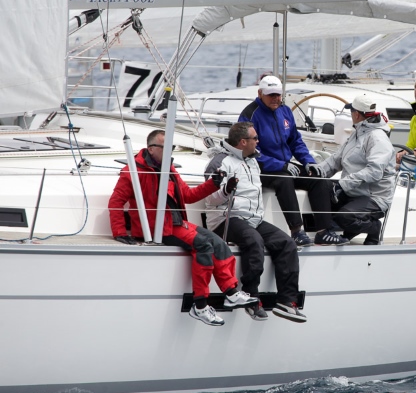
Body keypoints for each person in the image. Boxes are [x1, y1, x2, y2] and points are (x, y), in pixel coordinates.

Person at [108, 129, 258, 326]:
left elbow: (188, 195)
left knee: (218, 243)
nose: (171, 151)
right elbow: (116, 201)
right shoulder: (133, 171)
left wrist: (214, 184)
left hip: (176, 223)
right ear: (152, 149)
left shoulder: (168, 168)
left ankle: (231, 292)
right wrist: (120, 233)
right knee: (204, 245)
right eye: (166, 147)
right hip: (158, 228)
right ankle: (201, 305)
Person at [204, 122, 307, 322]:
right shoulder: (220, 162)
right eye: (255, 139)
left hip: (253, 218)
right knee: (254, 240)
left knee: (286, 243)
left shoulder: (252, 160)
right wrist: (225, 191)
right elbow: (209, 198)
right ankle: (251, 298)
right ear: (243, 142)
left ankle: (287, 301)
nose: (258, 142)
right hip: (225, 219)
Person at [239, 75, 348, 246]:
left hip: (285, 165)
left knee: (317, 177)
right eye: (271, 95)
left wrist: (308, 161)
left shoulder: (285, 111)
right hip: (261, 168)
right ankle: (297, 231)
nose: (275, 98)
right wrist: (281, 165)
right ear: (260, 93)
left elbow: (295, 141)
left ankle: (323, 231)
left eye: (278, 94)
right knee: (284, 179)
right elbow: (251, 151)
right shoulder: (249, 114)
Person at [309, 94, 396, 245]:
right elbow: (337, 159)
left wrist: (342, 185)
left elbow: (374, 171)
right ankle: (327, 233)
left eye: (351, 111)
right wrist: (317, 171)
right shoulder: (358, 132)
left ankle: (374, 227)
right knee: (320, 187)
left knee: (343, 217)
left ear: (356, 114)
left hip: (374, 197)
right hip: (354, 192)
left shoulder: (377, 138)